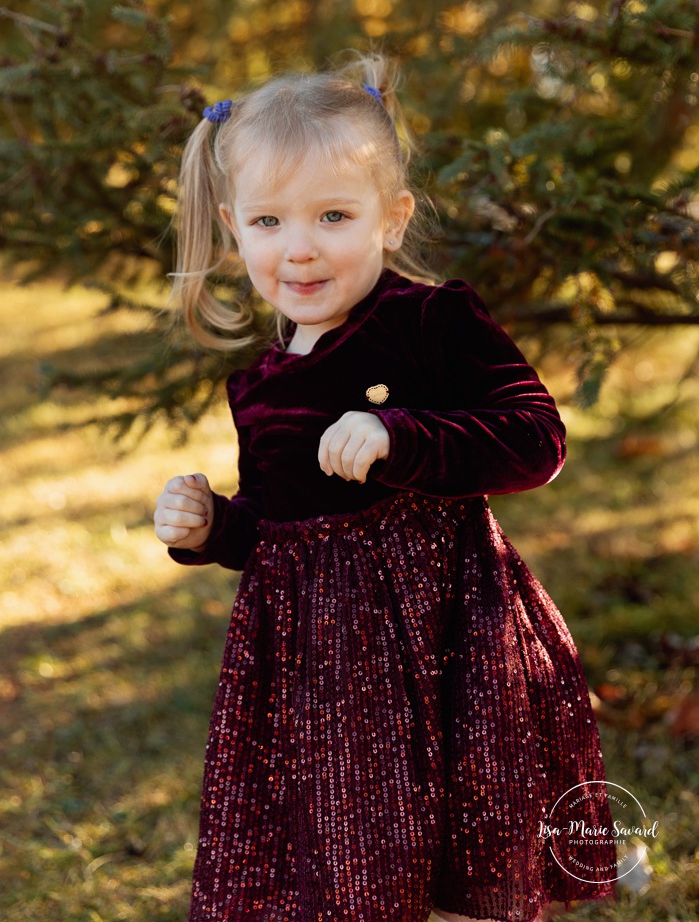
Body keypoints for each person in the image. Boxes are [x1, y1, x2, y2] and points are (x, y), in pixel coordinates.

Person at [154, 54, 617, 922]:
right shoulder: (259, 384)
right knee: (355, 850)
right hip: (322, 670)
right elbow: (277, 527)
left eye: (333, 214)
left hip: (451, 635)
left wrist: (404, 436)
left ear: (391, 218)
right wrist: (212, 528)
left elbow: (536, 440)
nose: (299, 246)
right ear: (232, 228)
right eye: (267, 220)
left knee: (466, 837)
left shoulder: (432, 320)